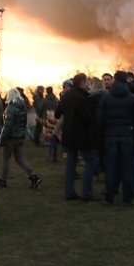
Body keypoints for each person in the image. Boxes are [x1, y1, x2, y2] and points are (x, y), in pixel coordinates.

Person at [95, 71, 134, 207]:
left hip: (111, 137)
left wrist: (101, 136)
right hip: (127, 136)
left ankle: (110, 197)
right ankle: (128, 198)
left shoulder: (106, 98)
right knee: (127, 168)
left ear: (114, 80)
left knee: (111, 168)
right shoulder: (132, 98)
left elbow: (100, 120)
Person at [55, 72, 100, 201]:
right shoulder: (83, 98)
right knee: (91, 161)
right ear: (82, 82)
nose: (87, 85)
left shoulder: (66, 96)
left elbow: (58, 114)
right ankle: (87, 192)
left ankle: (69, 192)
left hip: (68, 135)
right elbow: (88, 118)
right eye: (86, 82)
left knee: (70, 163)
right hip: (82, 135)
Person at [0, 88, 41, 189]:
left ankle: (2, 180)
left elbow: (7, 126)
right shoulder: (22, 108)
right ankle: (33, 176)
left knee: (5, 159)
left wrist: (2, 139)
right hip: (20, 137)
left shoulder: (10, 109)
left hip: (11, 138)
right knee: (20, 159)